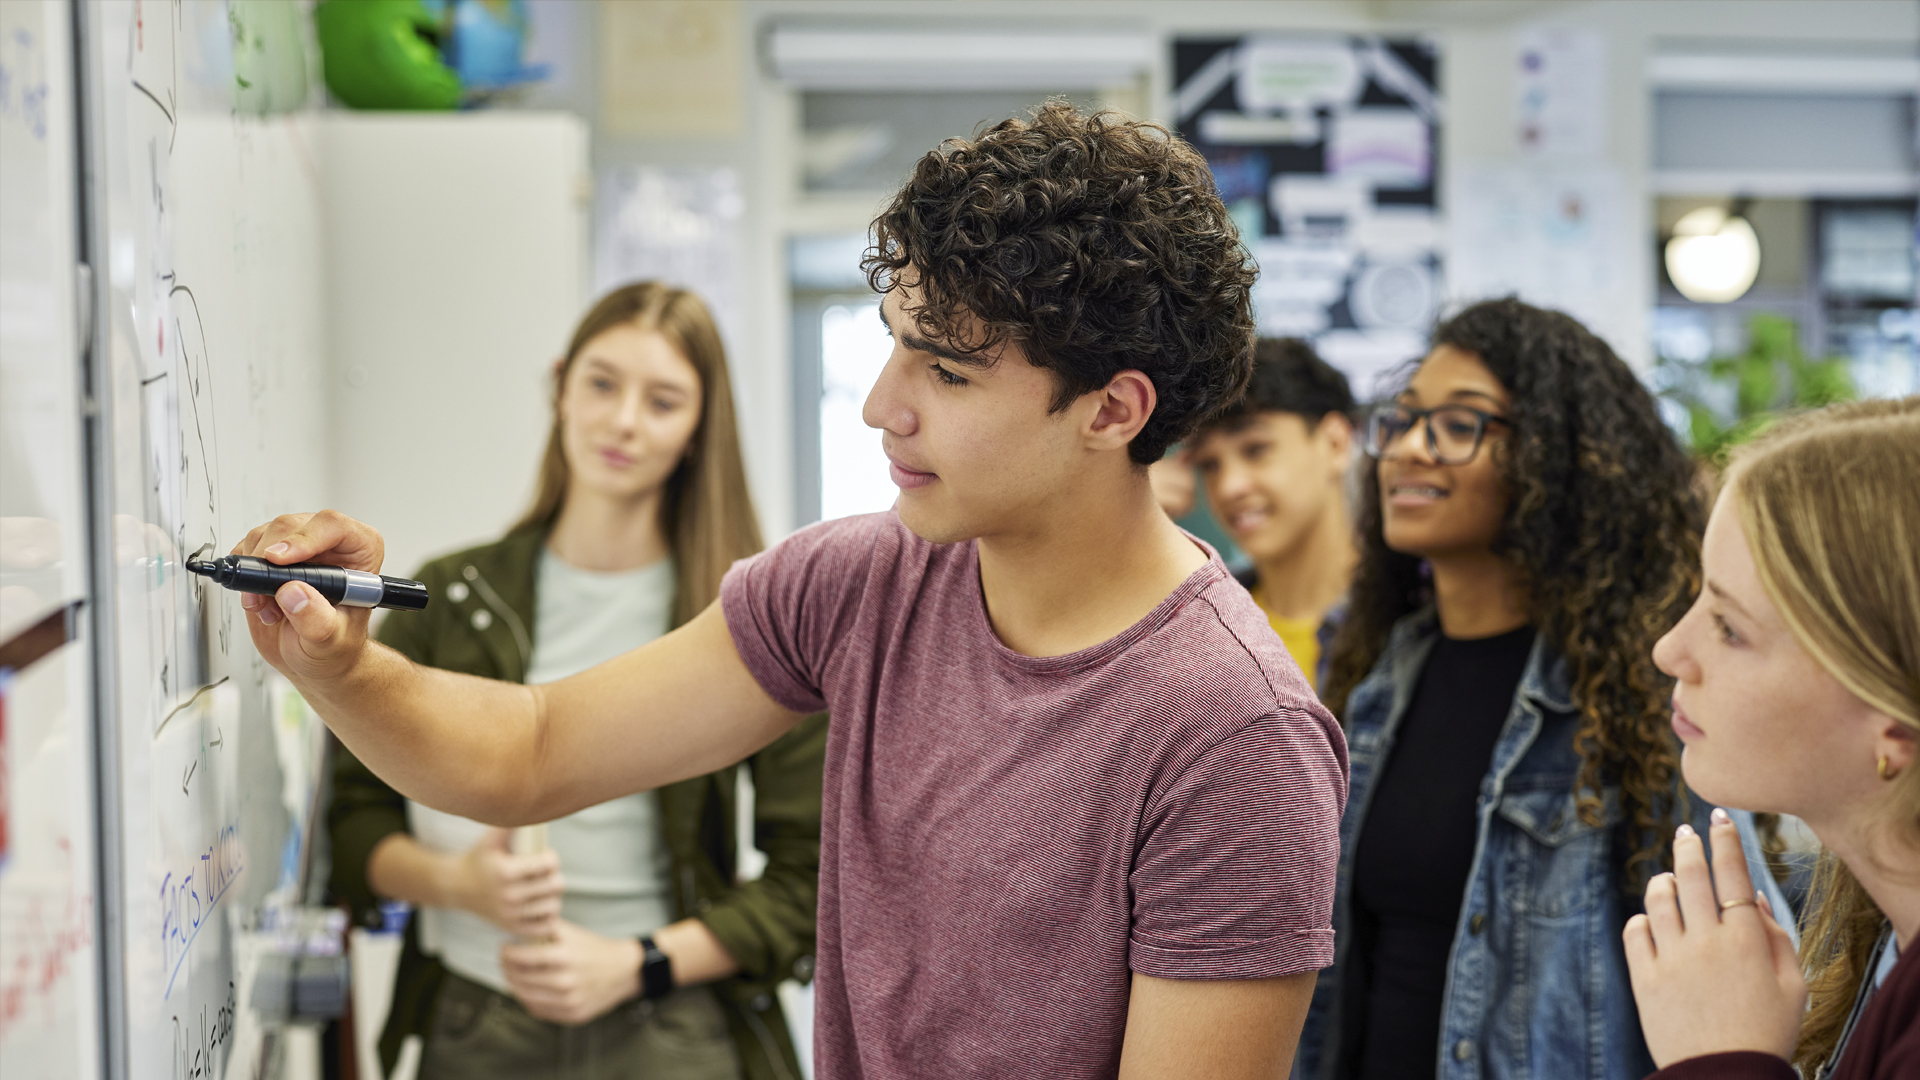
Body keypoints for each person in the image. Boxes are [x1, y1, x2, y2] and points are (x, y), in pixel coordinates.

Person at [239, 102, 1348, 1080]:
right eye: (895, 347)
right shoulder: (854, 583)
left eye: (946, 372)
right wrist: (339, 663)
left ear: (1112, 410)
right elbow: (532, 751)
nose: (881, 406)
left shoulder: (1237, 736)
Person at [327, 283, 827, 1080]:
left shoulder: (751, 617)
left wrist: (639, 963)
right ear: (560, 388)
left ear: (700, 428)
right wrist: (456, 884)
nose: (624, 421)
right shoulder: (447, 595)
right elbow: (353, 818)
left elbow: (812, 877)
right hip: (476, 1021)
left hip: (671, 1028)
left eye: (662, 401)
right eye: (601, 383)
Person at [1300, 297, 1777, 1080]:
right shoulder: (1375, 676)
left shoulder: (1636, 700)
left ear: (1558, 460)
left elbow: (1738, 982)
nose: (1409, 449)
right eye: (1404, 419)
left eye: (1459, 424)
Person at [1625, 397, 1920, 1080]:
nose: (1669, 650)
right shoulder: (1886, 940)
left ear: (1895, 725)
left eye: (1730, 629)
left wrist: (1722, 1060)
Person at [1186, 337, 1357, 691]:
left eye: (1256, 449)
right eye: (1209, 465)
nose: (1228, 487)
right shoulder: (1199, 627)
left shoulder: (1415, 620)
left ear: (1335, 443)